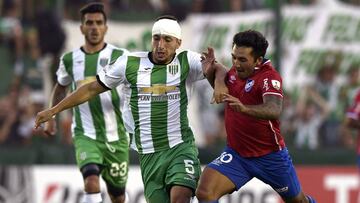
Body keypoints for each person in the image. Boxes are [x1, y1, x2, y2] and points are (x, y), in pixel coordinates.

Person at [35, 15, 225, 203]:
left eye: (167, 40)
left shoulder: (187, 60)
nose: (160, 45)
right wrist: (53, 110)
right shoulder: (129, 63)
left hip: (180, 147)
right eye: (156, 38)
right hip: (149, 155)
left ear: (178, 43)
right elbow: (92, 88)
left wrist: (219, 84)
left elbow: (219, 69)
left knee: (180, 197)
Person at [196, 30, 316, 203]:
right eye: (234, 57)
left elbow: (274, 109)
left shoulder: (269, 77)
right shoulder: (235, 72)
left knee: (299, 201)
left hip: (270, 156)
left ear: (258, 60)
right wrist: (213, 76)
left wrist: (245, 109)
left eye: (242, 59)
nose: (236, 64)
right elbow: (220, 69)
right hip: (237, 155)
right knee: (205, 192)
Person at [42, 3, 131, 203]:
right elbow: (60, 87)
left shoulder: (120, 57)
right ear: (81, 28)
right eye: (89, 23)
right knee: (91, 181)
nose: (94, 27)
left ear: (105, 28)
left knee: (118, 196)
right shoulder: (70, 60)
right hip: (86, 134)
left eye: (99, 23)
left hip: (117, 137)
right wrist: (52, 116)